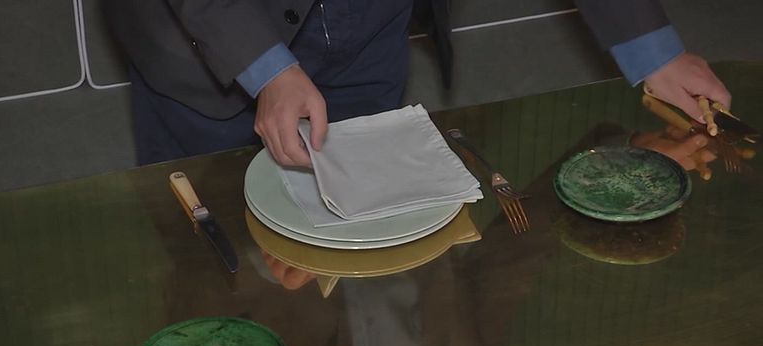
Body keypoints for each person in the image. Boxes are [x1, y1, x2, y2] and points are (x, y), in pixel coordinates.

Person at [105, 0, 731, 167]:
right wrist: (267, 67)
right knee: (214, 254)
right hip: (204, 36)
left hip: (371, 22)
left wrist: (655, 51)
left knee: (366, 212)